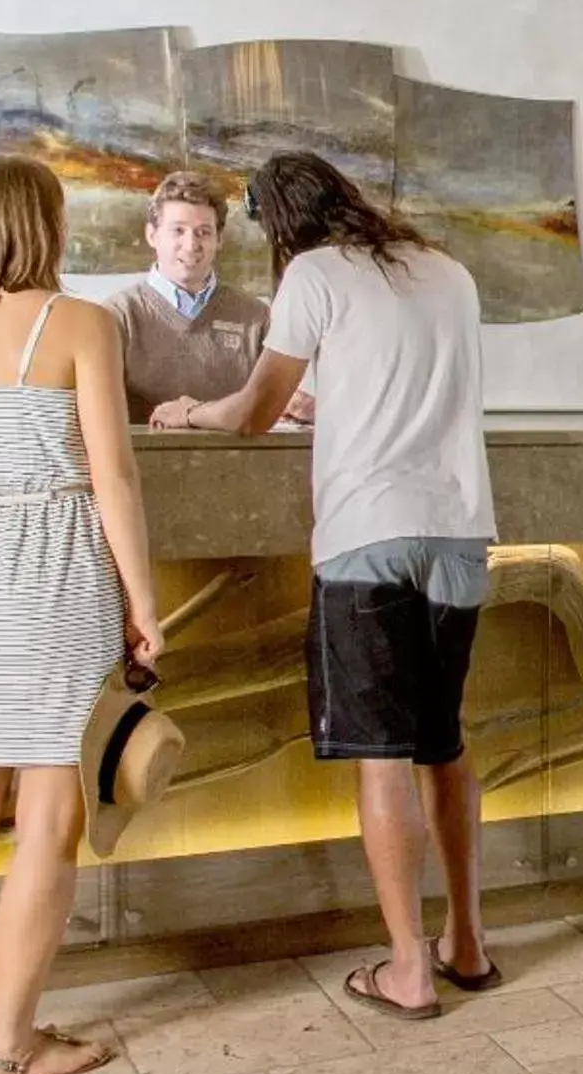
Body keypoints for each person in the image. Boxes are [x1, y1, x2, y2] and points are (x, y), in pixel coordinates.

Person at [153, 151, 499, 1018]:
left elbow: (254, 410)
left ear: (279, 222)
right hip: (459, 533)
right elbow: (413, 390)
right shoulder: (450, 273)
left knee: (381, 760)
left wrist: (191, 411)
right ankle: (467, 941)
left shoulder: (311, 273)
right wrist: (333, 401)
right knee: (443, 744)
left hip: (368, 536)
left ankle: (407, 968)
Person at [0, 156, 164, 1074]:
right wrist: (143, 601)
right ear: (46, 225)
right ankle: (11, 1046)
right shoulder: (79, 324)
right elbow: (114, 478)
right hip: (52, 574)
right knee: (51, 817)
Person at [103, 170, 274, 424]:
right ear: (152, 235)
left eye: (203, 232)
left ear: (220, 239)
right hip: (143, 464)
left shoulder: (256, 317)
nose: (191, 244)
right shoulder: (116, 316)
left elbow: (268, 410)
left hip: (239, 464)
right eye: (178, 231)